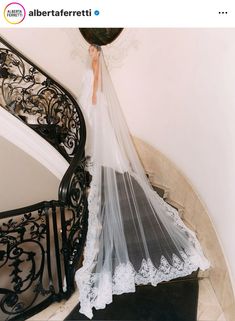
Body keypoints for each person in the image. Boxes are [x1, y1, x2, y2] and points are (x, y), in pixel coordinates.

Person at [75, 44, 210, 319]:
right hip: (93, 114)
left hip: (94, 112)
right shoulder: (91, 67)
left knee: (107, 156)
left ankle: (113, 168)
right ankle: (112, 166)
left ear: (94, 50)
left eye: (92, 49)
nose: (89, 51)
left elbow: (95, 93)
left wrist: (95, 62)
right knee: (105, 155)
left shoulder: (95, 66)